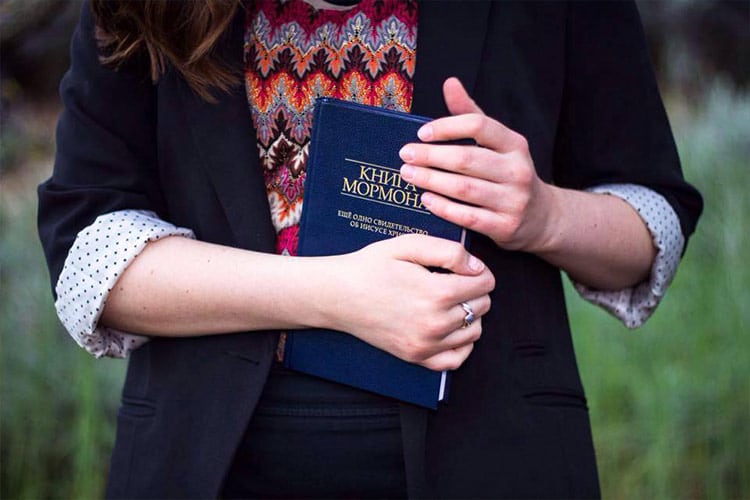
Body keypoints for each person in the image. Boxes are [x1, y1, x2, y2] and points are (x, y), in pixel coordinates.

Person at [38, 0, 702, 498]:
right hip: (200, 467)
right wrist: (336, 295)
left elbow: (653, 226)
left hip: (496, 462)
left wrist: (544, 214)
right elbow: (88, 254)